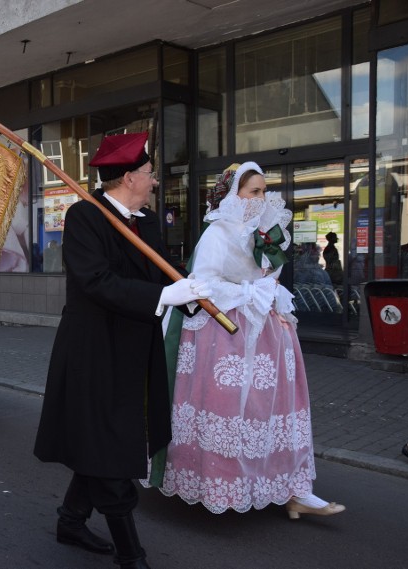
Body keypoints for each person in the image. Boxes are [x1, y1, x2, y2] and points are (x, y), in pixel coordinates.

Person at [33, 132, 211, 569]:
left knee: (102, 441)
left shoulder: (146, 221)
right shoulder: (84, 218)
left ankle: (71, 521)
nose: (154, 182)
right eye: (150, 174)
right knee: (110, 450)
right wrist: (164, 298)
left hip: (135, 351)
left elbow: (161, 271)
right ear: (129, 176)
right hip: (94, 353)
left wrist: (186, 292)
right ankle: (132, 556)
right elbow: (95, 282)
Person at [148, 162, 345, 520]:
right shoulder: (218, 233)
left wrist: (266, 289)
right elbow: (203, 282)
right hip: (224, 333)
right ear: (233, 194)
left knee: (274, 410)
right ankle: (221, 483)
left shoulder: (267, 232)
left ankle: (292, 487)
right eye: (253, 191)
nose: (260, 198)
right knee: (229, 409)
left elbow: (271, 273)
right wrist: (249, 292)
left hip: (268, 330)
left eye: (263, 191)